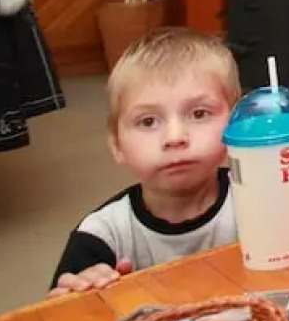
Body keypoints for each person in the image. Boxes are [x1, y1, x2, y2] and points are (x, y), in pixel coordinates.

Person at [47, 29, 241, 295]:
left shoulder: (261, 200)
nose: (175, 137)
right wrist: (76, 296)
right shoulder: (102, 234)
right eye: (148, 121)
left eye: (199, 113)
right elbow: (58, 312)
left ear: (237, 126)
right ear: (117, 145)